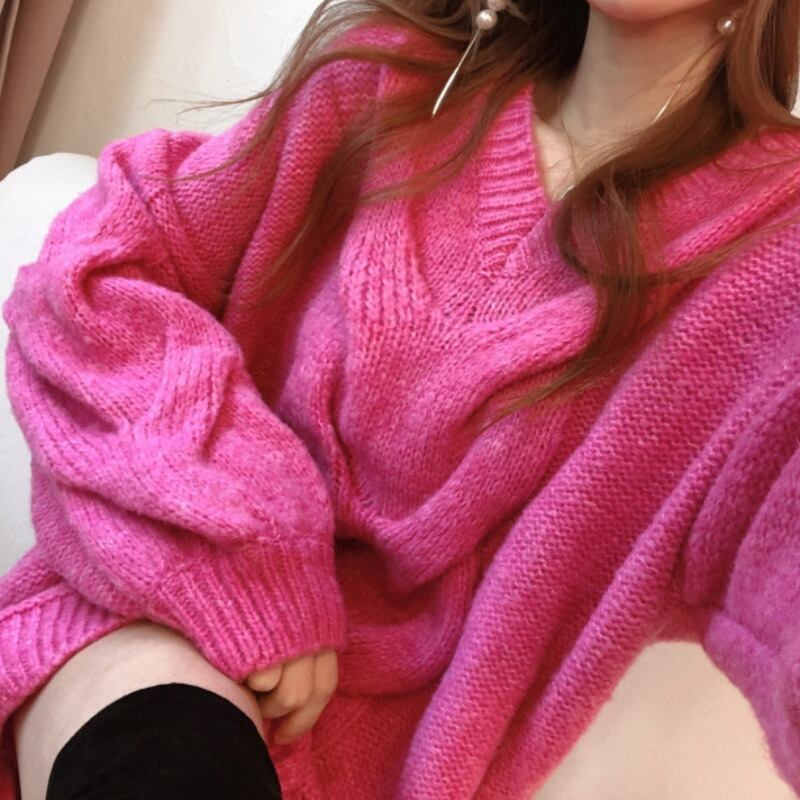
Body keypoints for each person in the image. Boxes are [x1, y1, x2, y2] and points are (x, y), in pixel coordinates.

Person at [2, 0, 800, 797]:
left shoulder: (777, 253)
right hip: (155, 637)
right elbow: (96, 277)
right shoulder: (383, 77)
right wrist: (251, 547)